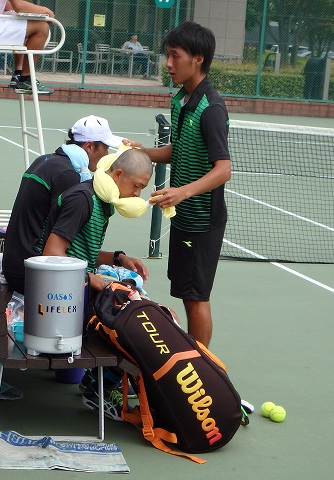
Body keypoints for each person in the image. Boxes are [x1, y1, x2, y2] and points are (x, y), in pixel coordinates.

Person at [39, 148, 153, 420]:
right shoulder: (83, 200)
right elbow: (52, 253)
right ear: (118, 174)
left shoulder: (101, 201)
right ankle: (99, 387)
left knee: (143, 306)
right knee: (138, 324)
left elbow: (79, 250)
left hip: (74, 288)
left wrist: (118, 258)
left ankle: (106, 380)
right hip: (61, 299)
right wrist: (91, 278)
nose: (138, 194)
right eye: (137, 186)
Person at [144, 22, 232, 348]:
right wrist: (141, 152)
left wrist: (182, 192)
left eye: (175, 56)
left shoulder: (211, 109)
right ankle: (195, 358)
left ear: (198, 59)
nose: (168, 63)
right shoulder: (181, 99)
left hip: (203, 220)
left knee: (197, 298)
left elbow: (223, 169)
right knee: (186, 292)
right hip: (183, 216)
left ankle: (202, 366)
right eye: (167, 55)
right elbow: (178, 150)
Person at [3, 115, 144, 294]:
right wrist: (91, 277)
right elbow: (57, 251)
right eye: (106, 148)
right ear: (89, 146)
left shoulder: (46, 161)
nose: (107, 155)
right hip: (31, 274)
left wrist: (117, 258)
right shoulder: (72, 180)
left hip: (17, 264)